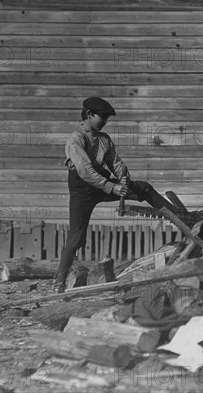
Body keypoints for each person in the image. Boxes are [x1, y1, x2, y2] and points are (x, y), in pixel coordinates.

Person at [53, 97, 180, 293]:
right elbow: (85, 171)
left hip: (102, 184)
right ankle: (59, 283)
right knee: (76, 238)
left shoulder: (104, 139)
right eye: (102, 117)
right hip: (82, 190)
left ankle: (180, 218)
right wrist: (112, 188)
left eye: (106, 118)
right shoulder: (76, 139)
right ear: (88, 115)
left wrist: (122, 174)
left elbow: (115, 162)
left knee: (144, 188)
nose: (105, 121)